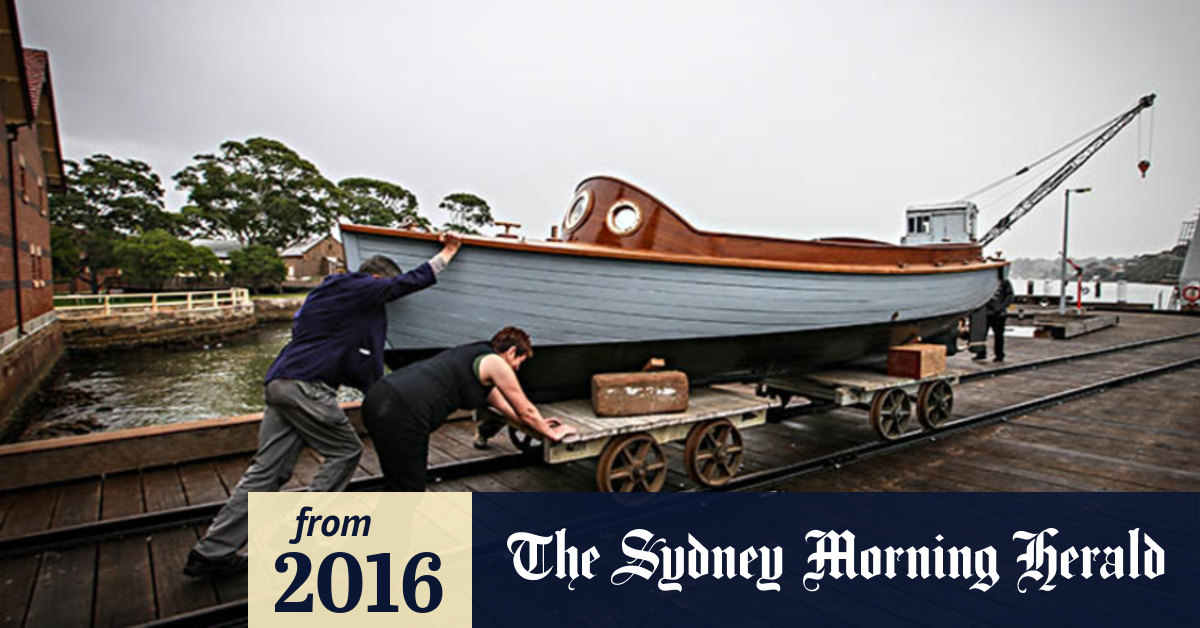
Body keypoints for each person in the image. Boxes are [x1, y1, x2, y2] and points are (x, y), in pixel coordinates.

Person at [183, 233, 463, 578]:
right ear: (375, 280)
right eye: (383, 291)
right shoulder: (354, 285)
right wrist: (448, 252)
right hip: (306, 388)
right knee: (346, 451)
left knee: (267, 472)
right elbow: (408, 282)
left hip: (280, 384)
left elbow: (364, 367)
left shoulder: (327, 302)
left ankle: (211, 553)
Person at [361, 326, 576, 491]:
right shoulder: (496, 363)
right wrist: (553, 435)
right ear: (511, 352)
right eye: (520, 360)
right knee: (409, 490)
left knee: (397, 481)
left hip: (380, 397)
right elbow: (526, 409)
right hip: (403, 411)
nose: (518, 367)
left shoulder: (477, 358)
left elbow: (509, 410)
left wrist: (539, 426)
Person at [973, 275, 1015, 362]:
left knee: (999, 335)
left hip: (999, 313)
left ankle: (999, 355)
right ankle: (981, 353)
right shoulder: (984, 282)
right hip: (985, 313)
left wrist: (1001, 307)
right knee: (981, 334)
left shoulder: (1004, 281)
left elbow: (1010, 296)